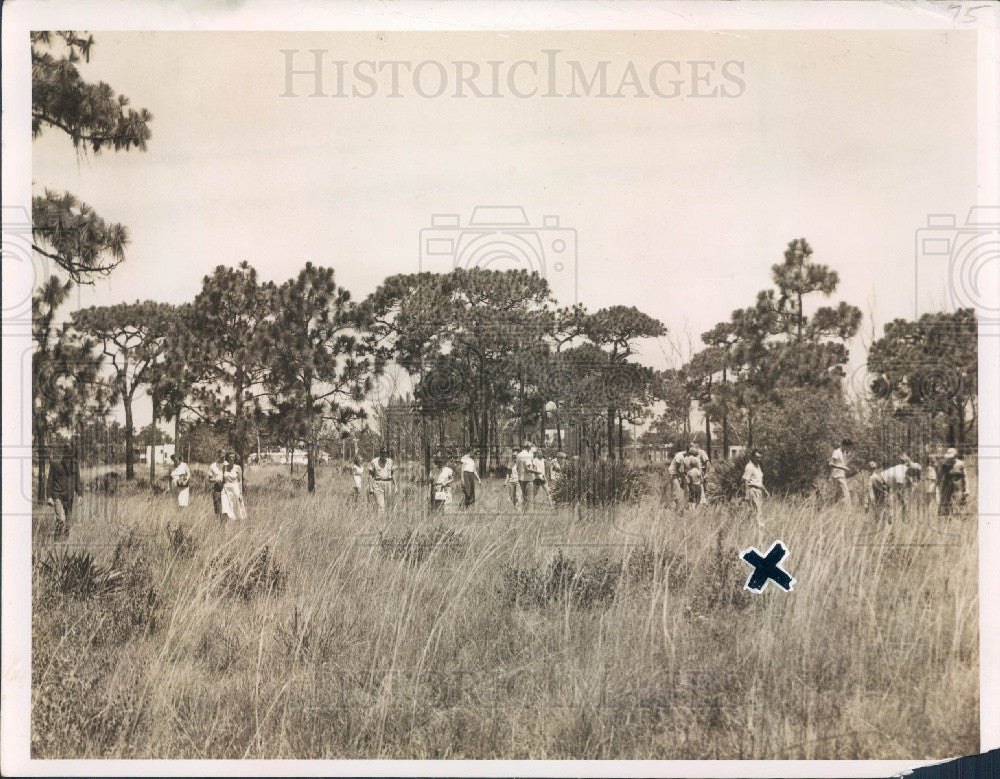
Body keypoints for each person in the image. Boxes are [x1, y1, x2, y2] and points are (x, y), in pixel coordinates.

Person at [46, 443, 82, 540]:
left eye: (71, 453)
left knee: (68, 522)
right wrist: (49, 496)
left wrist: (80, 495)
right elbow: (50, 480)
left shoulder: (75, 463)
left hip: (70, 496)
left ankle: (65, 543)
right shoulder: (55, 463)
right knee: (61, 520)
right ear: (64, 452)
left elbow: (77, 480)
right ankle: (57, 540)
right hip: (58, 495)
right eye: (67, 453)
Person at [939, 448, 968, 515]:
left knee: (958, 504)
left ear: (955, 456)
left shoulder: (961, 464)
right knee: (947, 505)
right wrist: (939, 490)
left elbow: (965, 477)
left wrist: (967, 489)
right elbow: (940, 478)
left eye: (952, 457)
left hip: (958, 487)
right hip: (947, 487)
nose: (950, 459)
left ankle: (958, 521)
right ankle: (949, 521)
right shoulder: (945, 465)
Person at [221, 452, 248, 522]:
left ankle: (237, 521)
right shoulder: (224, 467)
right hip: (225, 488)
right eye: (230, 457)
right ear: (227, 458)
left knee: (236, 506)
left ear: (235, 458)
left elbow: (240, 481)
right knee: (225, 506)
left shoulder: (238, 468)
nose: (231, 459)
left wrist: (240, 493)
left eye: (233, 457)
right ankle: (227, 521)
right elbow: (223, 479)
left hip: (235, 488)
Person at [368, 448, 395, 513]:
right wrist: (370, 488)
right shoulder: (374, 461)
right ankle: (380, 520)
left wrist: (395, 486)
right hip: (378, 483)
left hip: (388, 483)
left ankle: (387, 519)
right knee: (381, 504)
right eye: (383, 454)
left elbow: (393, 474)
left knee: (388, 503)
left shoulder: (390, 461)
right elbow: (371, 475)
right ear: (380, 454)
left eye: (386, 454)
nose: (384, 456)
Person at [742, 450, 766, 523]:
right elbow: (746, 480)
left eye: (760, 457)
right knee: (756, 511)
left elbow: (758, 480)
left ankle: (755, 528)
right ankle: (759, 529)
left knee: (758, 511)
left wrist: (764, 490)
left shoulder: (758, 466)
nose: (758, 459)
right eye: (756, 457)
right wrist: (747, 494)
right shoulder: (749, 466)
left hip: (759, 491)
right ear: (752, 457)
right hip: (753, 490)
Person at [829, 439, 853, 507]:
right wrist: (844, 468)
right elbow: (831, 463)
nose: (849, 449)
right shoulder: (836, 452)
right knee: (846, 495)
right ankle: (848, 512)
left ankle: (834, 510)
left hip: (841, 476)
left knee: (839, 495)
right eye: (849, 447)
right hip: (837, 477)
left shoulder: (843, 453)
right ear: (844, 445)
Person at [667, 445, 689, 510]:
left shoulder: (685, 457)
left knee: (682, 491)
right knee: (676, 492)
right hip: (674, 474)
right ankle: (676, 508)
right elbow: (677, 469)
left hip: (679, 475)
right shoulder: (679, 456)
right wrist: (683, 477)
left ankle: (681, 507)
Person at [515, 442, 535, 510]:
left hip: (520, 478)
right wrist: (538, 472)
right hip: (528, 479)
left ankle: (521, 513)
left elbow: (516, 467)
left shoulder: (518, 455)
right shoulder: (528, 455)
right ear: (528, 447)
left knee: (521, 497)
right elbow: (528, 469)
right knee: (529, 498)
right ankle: (528, 514)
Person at [208, 449, 226, 518]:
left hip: (226, 487)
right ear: (218, 455)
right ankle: (218, 522)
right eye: (221, 456)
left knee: (226, 506)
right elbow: (209, 479)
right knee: (217, 506)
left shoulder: (227, 464)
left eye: (224, 456)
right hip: (217, 488)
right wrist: (216, 480)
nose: (223, 458)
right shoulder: (213, 466)